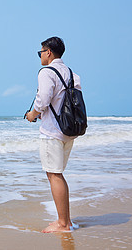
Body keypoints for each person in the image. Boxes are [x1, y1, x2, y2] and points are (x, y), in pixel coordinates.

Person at [25, 36, 81, 233]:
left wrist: (32, 115)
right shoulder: (72, 74)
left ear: (48, 52)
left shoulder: (46, 72)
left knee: (54, 175)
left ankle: (63, 224)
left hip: (52, 132)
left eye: (40, 51)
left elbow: (43, 100)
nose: (39, 55)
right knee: (58, 174)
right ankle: (65, 220)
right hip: (68, 130)